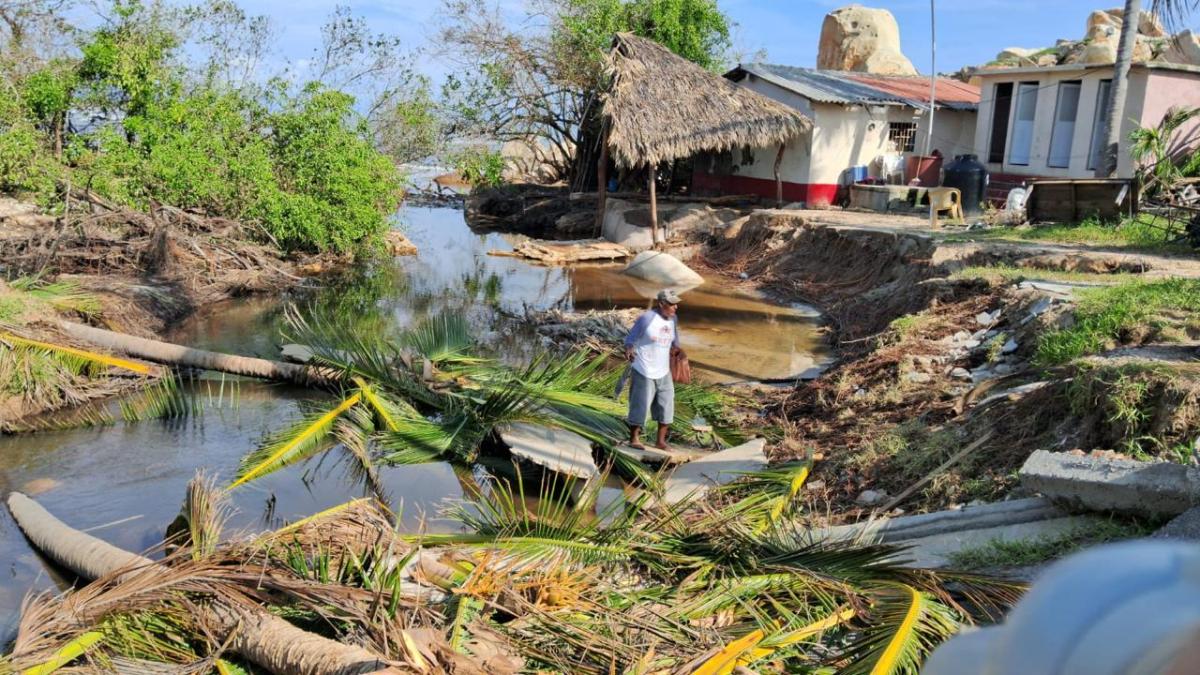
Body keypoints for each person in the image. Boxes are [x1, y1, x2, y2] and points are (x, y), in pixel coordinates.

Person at [623, 289, 684, 450]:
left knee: (666, 404)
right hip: (644, 368)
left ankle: (660, 441)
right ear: (662, 304)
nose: (675, 307)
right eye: (672, 304)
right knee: (640, 404)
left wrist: (678, 350)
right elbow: (631, 338)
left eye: (676, 303)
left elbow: (674, 340)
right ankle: (634, 438)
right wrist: (629, 348)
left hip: (663, 370)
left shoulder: (673, 319)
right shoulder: (647, 318)